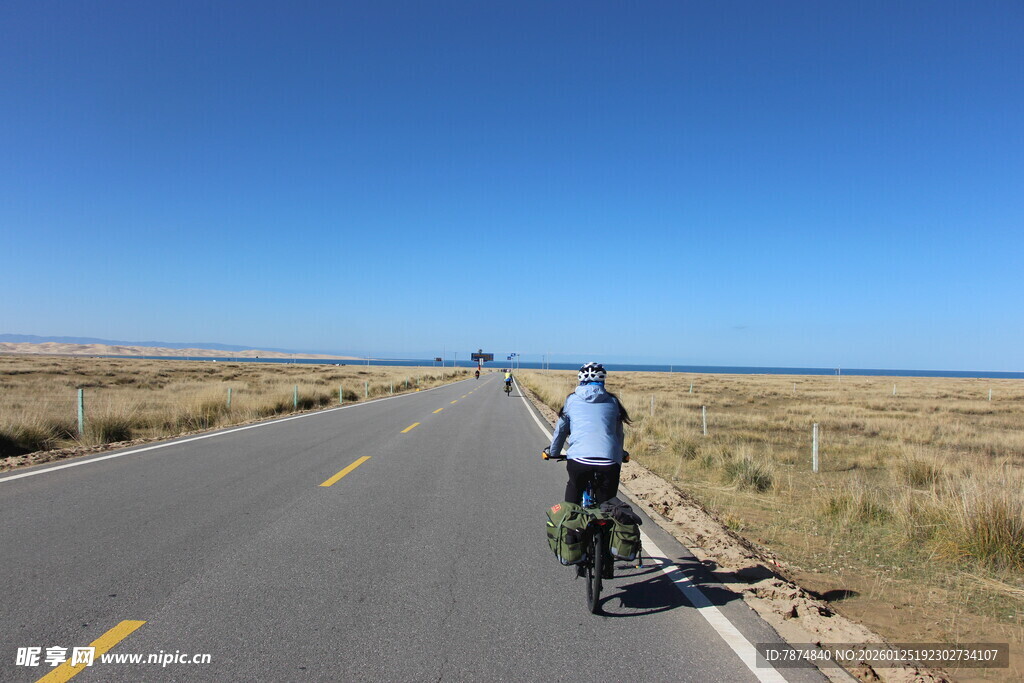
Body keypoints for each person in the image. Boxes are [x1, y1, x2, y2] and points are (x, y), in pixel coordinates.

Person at [544, 362, 631, 506]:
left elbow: (561, 430)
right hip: (609, 462)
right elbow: (618, 435)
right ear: (603, 380)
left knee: (572, 501)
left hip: (579, 460)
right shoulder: (613, 401)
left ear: (581, 379)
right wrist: (620, 454)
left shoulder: (571, 400)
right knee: (608, 508)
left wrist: (553, 452)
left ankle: (572, 524)